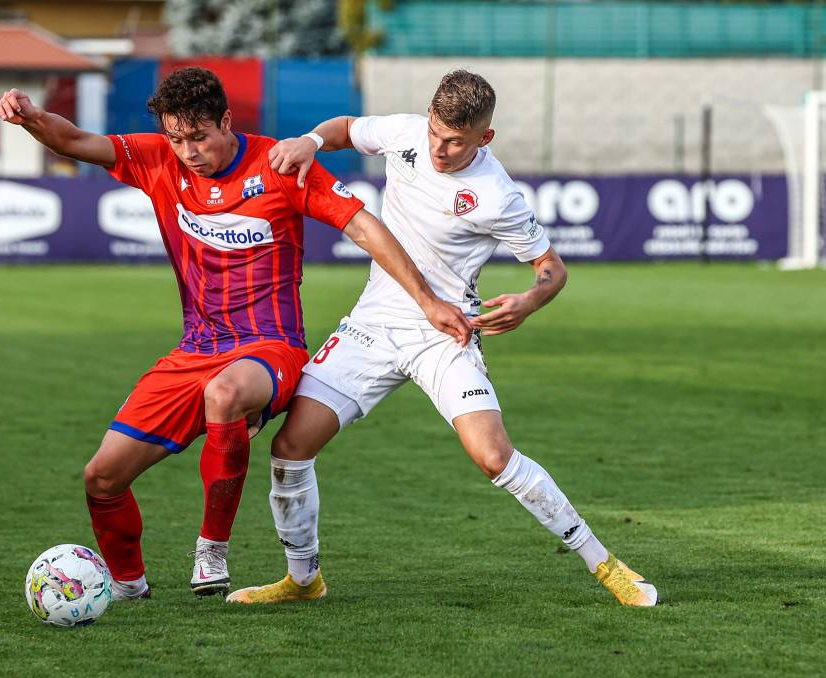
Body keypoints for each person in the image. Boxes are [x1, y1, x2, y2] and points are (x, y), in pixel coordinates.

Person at [0, 67, 471, 599]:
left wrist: (427, 300)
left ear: (226, 121)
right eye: (176, 137)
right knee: (102, 477)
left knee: (226, 393)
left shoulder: (280, 164)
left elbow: (362, 225)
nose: (187, 150)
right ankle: (125, 584)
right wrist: (30, 118)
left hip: (271, 348)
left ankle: (211, 549)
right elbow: (73, 140)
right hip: (196, 349)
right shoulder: (158, 159)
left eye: (198, 136)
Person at [227, 70, 658, 607]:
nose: (439, 148)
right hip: (373, 324)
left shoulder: (497, 196)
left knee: (494, 457)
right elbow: (343, 128)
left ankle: (606, 564)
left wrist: (530, 299)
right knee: (291, 448)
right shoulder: (405, 132)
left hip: (445, 334)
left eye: (455, 140)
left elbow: (551, 267)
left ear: (485, 137)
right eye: (435, 132)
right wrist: (310, 141)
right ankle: (303, 580)